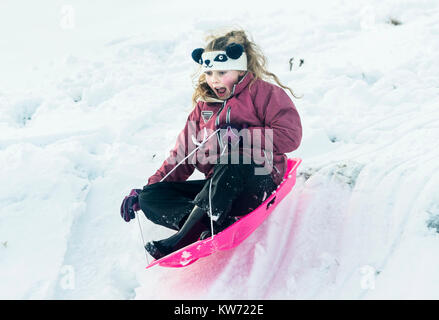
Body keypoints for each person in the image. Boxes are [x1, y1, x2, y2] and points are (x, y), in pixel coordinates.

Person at [120, 30, 302, 260]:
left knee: (233, 160)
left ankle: (191, 232)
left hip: (256, 179)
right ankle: (201, 224)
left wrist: (243, 136)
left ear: (240, 69)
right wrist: (146, 189)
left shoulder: (263, 94)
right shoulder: (203, 110)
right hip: (216, 191)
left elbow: (291, 136)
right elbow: (182, 156)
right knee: (151, 197)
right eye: (209, 73)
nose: (214, 79)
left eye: (222, 72)